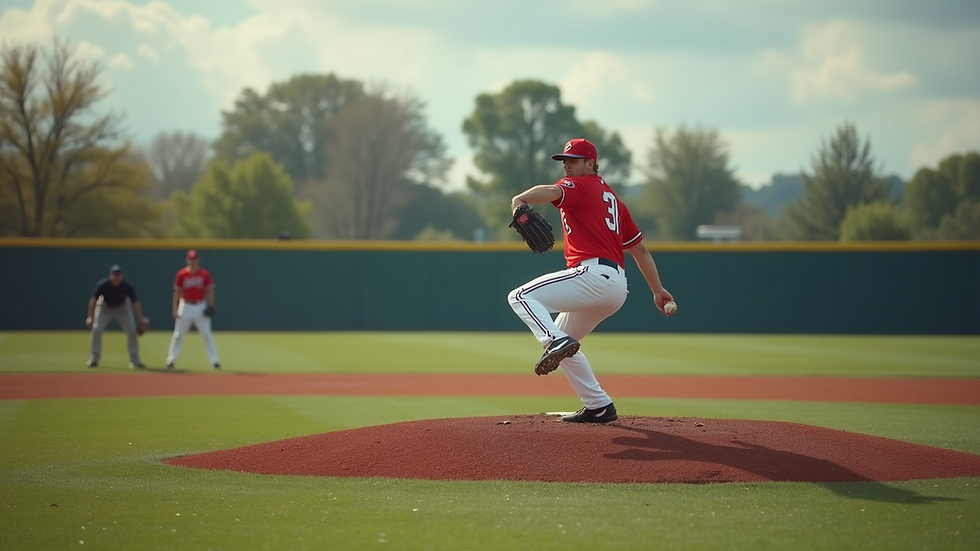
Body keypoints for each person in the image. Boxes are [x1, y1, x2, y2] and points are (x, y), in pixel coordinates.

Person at [507, 138, 675, 424]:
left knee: (520, 297)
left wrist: (518, 201)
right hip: (616, 286)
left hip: (593, 275)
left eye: (573, 160)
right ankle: (598, 406)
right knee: (566, 345)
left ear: (591, 164)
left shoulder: (580, 185)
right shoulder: (614, 201)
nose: (567, 166)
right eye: (564, 161)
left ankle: (554, 341)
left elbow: (549, 191)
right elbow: (640, 250)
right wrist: (657, 290)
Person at [165, 250, 221, 370]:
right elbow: (177, 292)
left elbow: (210, 290)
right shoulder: (181, 274)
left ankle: (214, 361)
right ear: (187, 260)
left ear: (198, 260)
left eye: (194, 259)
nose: (193, 261)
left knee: (207, 335)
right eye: (191, 259)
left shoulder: (204, 274)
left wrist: (210, 305)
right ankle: (171, 360)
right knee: (178, 335)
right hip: (185, 306)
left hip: (200, 306)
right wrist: (175, 309)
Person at [86, 265, 147, 369]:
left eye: (118, 275)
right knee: (97, 329)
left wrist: (140, 318)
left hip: (122, 308)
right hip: (105, 307)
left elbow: (135, 303)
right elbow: (93, 301)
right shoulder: (103, 285)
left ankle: (135, 360)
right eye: (114, 275)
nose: (116, 277)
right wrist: (90, 317)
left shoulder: (127, 286)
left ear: (121, 276)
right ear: (110, 276)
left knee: (132, 331)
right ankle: (94, 358)